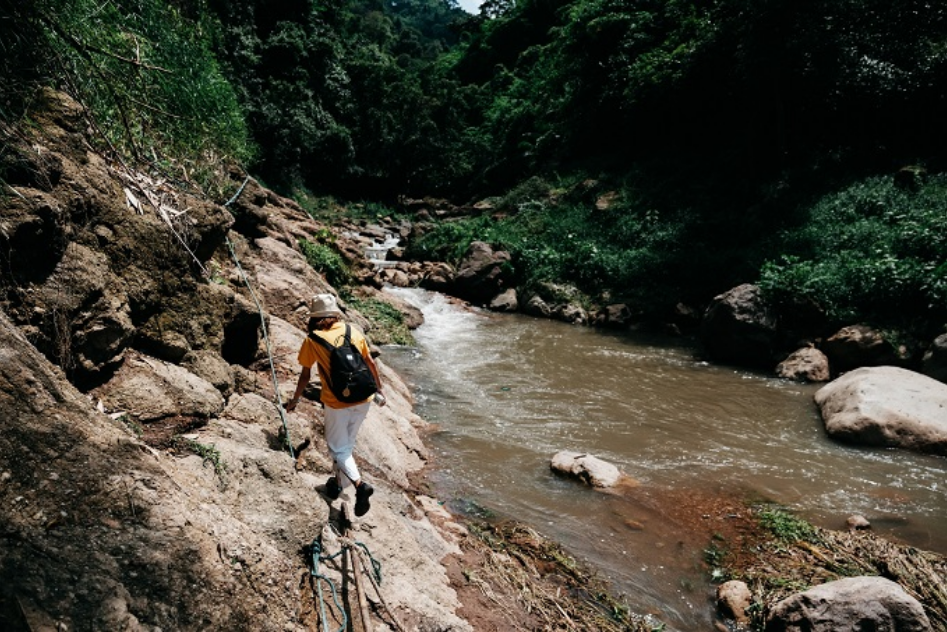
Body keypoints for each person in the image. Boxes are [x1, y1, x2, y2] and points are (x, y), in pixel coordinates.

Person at [285, 294, 386, 517]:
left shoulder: (313, 339)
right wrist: (379, 389)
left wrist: (295, 400)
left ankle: (360, 486)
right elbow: (369, 362)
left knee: (338, 448)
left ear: (314, 318)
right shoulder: (352, 330)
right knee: (346, 445)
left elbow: (304, 376)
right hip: (364, 398)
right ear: (335, 314)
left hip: (337, 401)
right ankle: (339, 485)